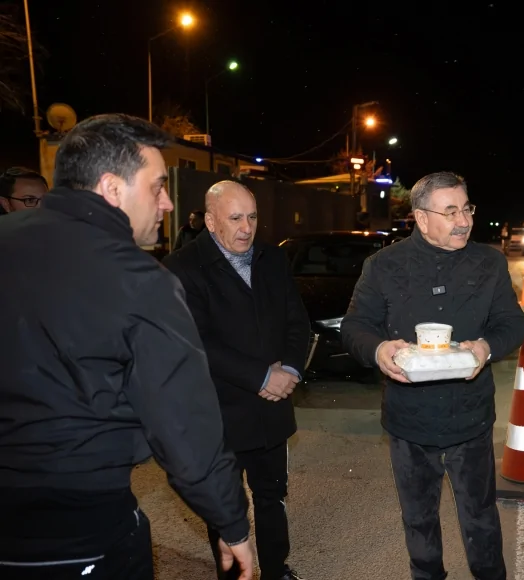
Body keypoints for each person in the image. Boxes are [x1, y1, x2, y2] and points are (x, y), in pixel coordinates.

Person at [0, 114, 254, 579]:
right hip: (80, 532)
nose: (168, 204)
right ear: (113, 189)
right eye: (157, 187)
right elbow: (184, 427)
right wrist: (232, 523)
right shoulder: (140, 281)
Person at [341, 171, 524, 580]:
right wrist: (379, 349)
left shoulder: (489, 262)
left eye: (466, 209)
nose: (463, 220)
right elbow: (354, 326)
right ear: (422, 218)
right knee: (418, 519)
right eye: (450, 212)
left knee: (480, 517)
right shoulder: (384, 265)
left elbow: (513, 322)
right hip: (409, 420)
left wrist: (485, 347)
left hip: (471, 417)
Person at [162, 180, 311, 580]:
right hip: (218, 413)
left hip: (272, 407)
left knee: (273, 495)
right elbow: (193, 341)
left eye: (252, 216)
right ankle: (235, 575)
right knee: (224, 506)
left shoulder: (272, 259)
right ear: (210, 221)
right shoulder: (181, 267)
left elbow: (298, 323)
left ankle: (276, 569)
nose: (246, 227)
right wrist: (262, 375)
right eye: (235, 218)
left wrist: (290, 372)